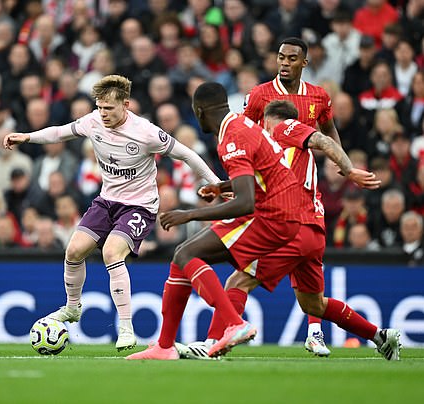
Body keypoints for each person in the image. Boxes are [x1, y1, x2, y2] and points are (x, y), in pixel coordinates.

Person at [3, 74, 220, 351]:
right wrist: (27, 137)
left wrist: (216, 183)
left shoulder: (146, 132)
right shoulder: (93, 121)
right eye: (100, 107)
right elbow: (60, 132)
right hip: (108, 200)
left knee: (111, 253)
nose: (103, 113)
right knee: (73, 251)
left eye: (109, 108)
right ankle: (72, 308)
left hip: (140, 205)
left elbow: (187, 155)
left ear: (125, 105)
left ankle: (126, 327)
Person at [177, 100, 401, 361]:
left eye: (263, 122)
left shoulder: (284, 129)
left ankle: (210, 344)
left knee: (238, 281)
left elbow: (325, 141)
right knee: (313, 304)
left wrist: (349, 170)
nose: (260, 127)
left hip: (292, 226)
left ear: (270, 119)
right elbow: (261, 181)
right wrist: (222, 188)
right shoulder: (279, 151)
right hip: (314, 231)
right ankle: (381, 336)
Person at [126, 82, 303, 360]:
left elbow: (246, 202)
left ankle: (234, 324)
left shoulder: (232, 136)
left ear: (199, 111)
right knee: (181, 257)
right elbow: (258, 180)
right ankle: (164, 346)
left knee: (188, 253)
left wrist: (190, 214)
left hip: (274, 215)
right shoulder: (240, 125)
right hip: (283, 211)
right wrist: (221, 188)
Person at [238, 37, 340, 356]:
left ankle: (313, 332)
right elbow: (244, 132)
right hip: (270, 193)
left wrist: (340, 161)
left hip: (306, 191)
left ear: (303, 63)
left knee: (310, 261)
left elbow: (329, 130)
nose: (284, 62)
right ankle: (227, 325)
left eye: (291, 58)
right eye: (280, 57)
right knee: (247, 268)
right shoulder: (259, 95)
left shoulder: (318, 96)